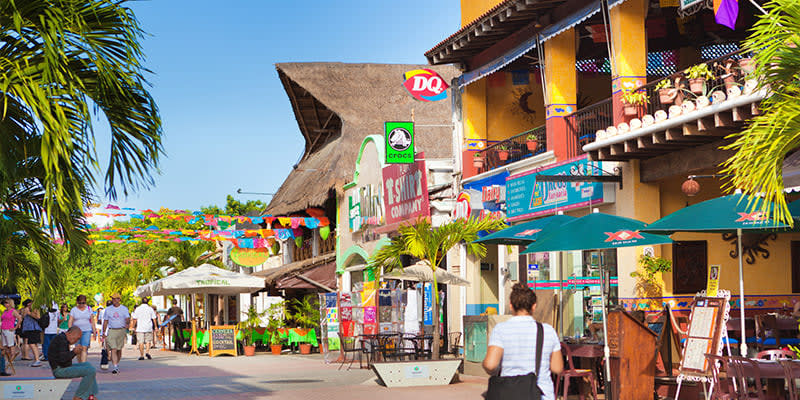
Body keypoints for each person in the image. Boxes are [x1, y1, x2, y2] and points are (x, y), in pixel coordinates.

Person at [483, 283, 564, 400]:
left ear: (511, 305)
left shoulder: (501, 330)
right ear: (534, 306)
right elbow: (557, 368)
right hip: (541, 394)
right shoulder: (547, 331)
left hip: (509, 393)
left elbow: (490, 365)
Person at [48, 326, 99, 400]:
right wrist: (74, 352)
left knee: (88, 365)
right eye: (77, 338)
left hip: (63, 367)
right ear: (70, 334)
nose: (76, 341)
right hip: (59, 370)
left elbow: (64, 360)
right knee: (90, 371)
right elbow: (63, 360)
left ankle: (91, 395)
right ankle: (79, 396)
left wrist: (74, 353)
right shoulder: (62, 340)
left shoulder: (63, 338)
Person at [101, 294, 129, 374]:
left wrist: (127, 323)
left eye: (115, 299)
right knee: (113, 348)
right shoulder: (108, 309)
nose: (113, 300)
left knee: (119, 349)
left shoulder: (124, 309)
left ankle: (116, 363)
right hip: (112, 330)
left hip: (121, 330)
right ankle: (115, 366)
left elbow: (127, 318)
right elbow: (105, 321)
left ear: (119, 299)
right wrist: (103, 332)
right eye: (112, 299)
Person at [69, 295, 96, 363]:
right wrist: (70, 331)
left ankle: (83, 364)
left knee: (84, 348)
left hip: (86, 330)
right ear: (77, 302)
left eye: (83, 303)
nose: (81, 305)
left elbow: (92, 321)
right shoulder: (74, 310)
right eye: (80, 303)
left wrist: (94, 332)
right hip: (76, 332)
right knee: (78, 348)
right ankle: (80, 363)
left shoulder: (89, 309)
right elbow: (70, 321)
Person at [20, 300, 43, 367]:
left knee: (32, 344)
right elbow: (23, 317)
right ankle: (36, 359)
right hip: (28, 328)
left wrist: (29, 313)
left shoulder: (35, 309)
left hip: (34, 328)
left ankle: (37, 359)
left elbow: (38, 317)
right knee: (32, 344)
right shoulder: (25, 309)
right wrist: (24, 312)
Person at [1, 299, 21, 369]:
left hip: (9, 329)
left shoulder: (13, 311)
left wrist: (15, 327)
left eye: (6, 303)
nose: (5, 304)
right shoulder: (4, 311)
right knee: (5, 345)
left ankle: (11, 359)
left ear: (10, 303)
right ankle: (7, 358)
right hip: (3, 328)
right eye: (4, 303)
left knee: (10, 344)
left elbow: (19, 318)